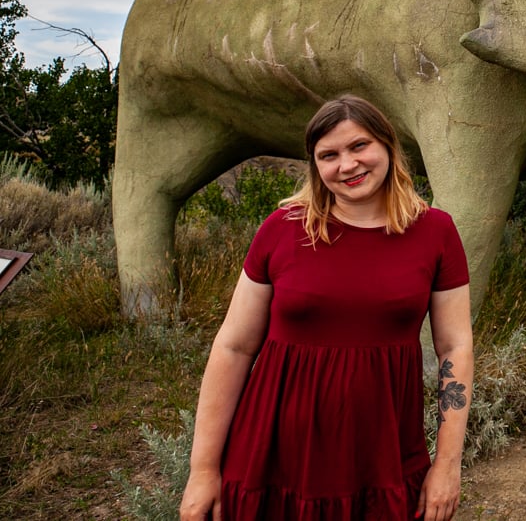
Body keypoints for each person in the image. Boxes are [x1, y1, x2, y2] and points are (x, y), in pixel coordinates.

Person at [179, 95, 473, 521]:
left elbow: (455, 347)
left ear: (387, 146)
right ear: (315, 166)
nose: (347, 165)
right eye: (328, 155)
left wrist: (448, 465)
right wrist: (203, 469)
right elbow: (234, 348)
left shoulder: (435, 232)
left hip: (381, 456)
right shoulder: (281, 230)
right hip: (270, 455)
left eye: (359, 146)